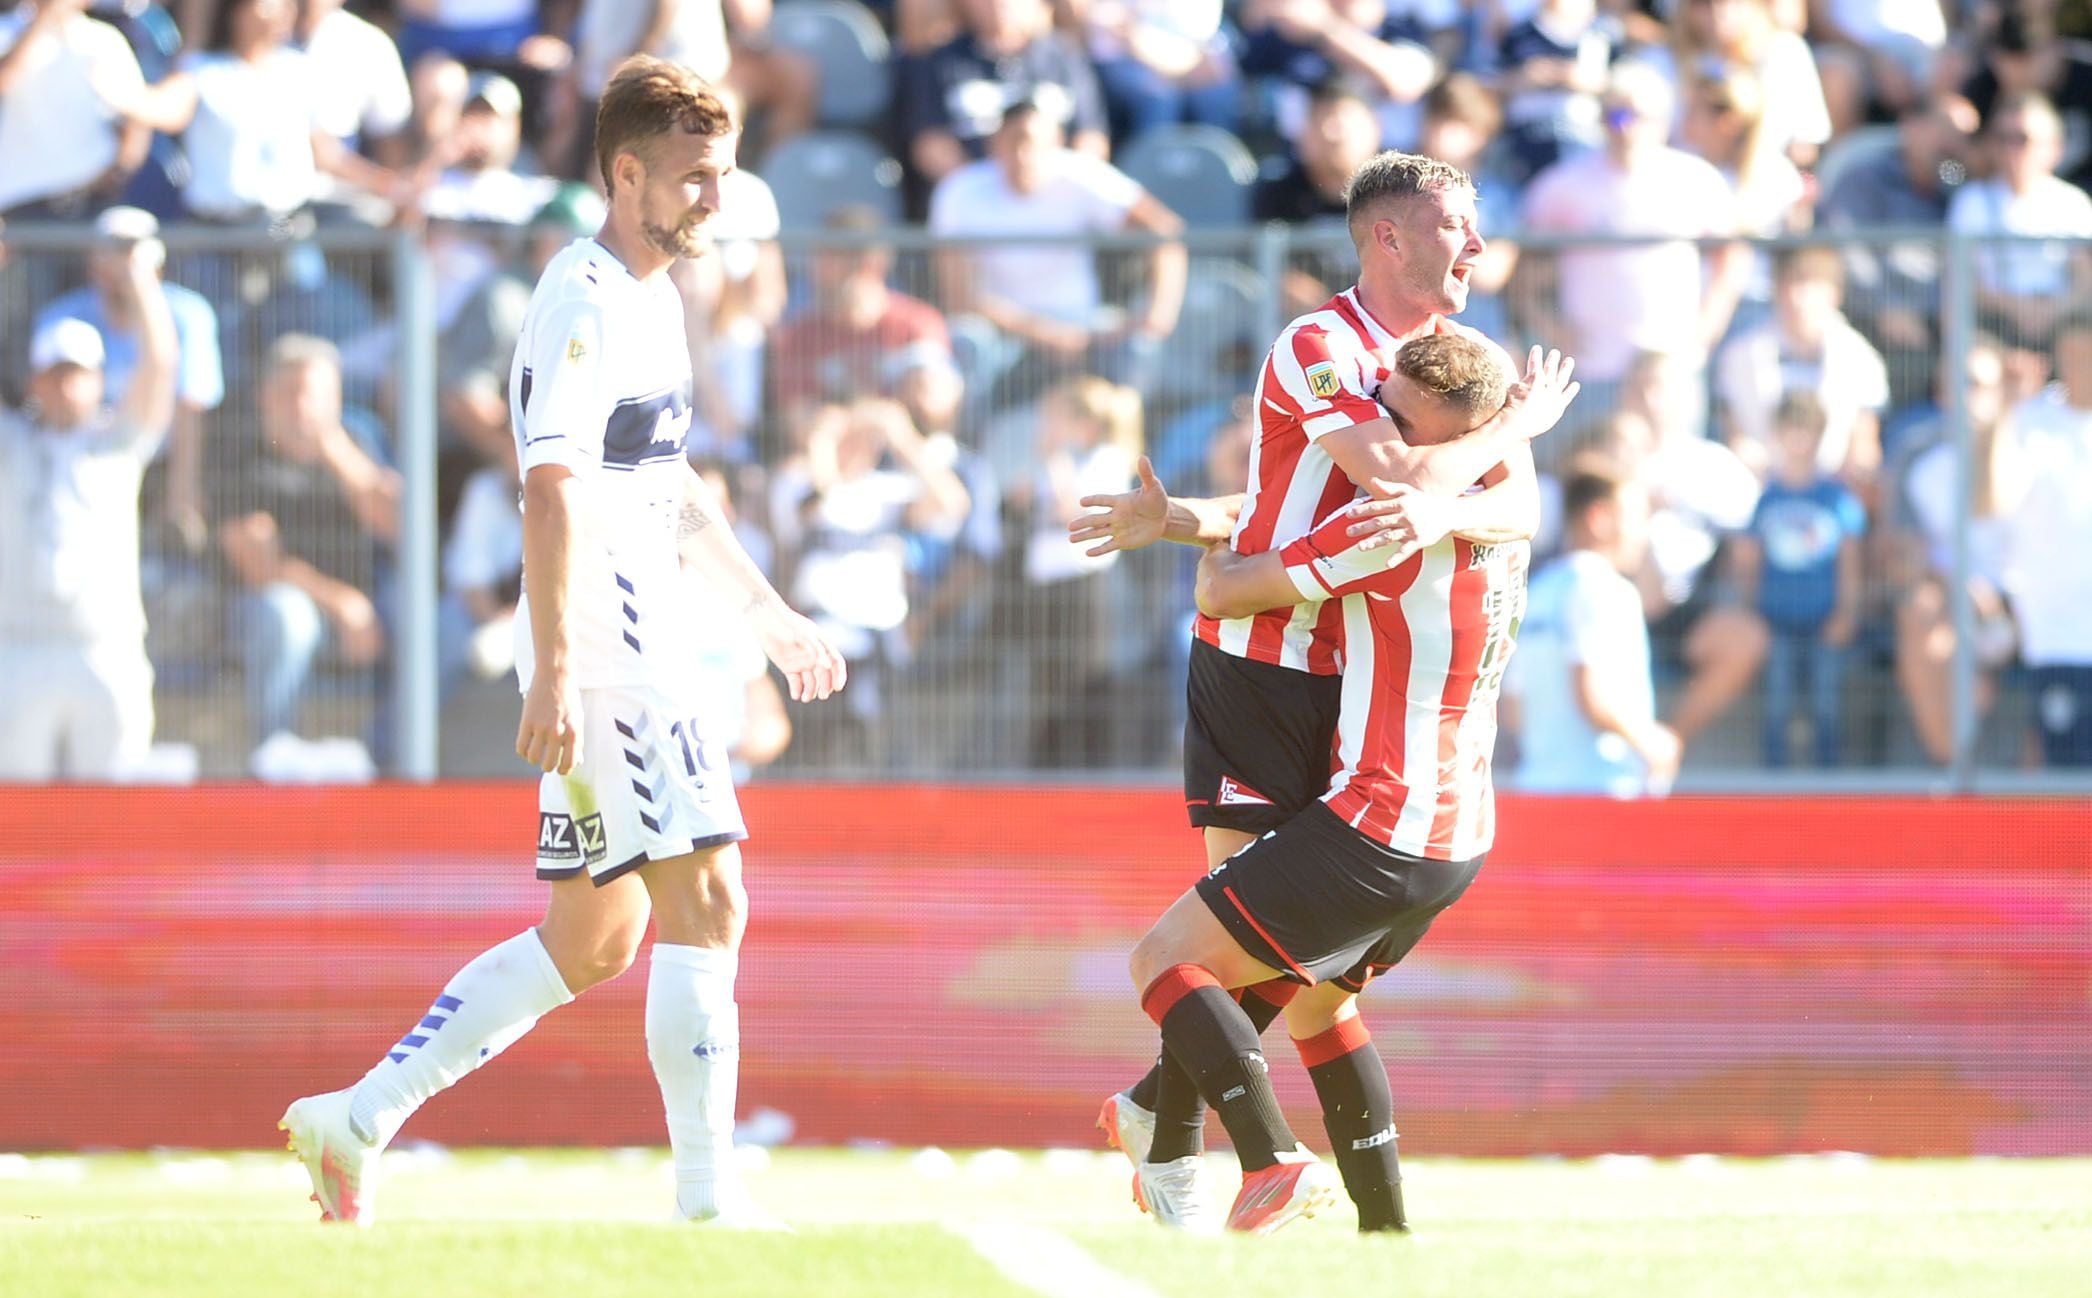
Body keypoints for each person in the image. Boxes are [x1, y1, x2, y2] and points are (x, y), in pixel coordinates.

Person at [277, 57, 847, 1226]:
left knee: (595, 934)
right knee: (713, 902)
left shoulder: (655, 295)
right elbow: (551, 489)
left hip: (649, 637)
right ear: (624, 170)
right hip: (615, 646)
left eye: (723, 177)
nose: (713, 201)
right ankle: (706, 1206)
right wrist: (555, 669)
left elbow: (666, 476)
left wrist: (763, 607)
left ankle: (358, 1117)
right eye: (693, 178)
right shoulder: (583, 297)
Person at [1071, 151, 1577, 1234]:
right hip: (1262, 665)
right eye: (1458, 226)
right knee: (1244, 955)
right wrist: (1507, 437)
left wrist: (1489, 461)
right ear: (1389, 238)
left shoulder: (1462, 364)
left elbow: (1500, 506)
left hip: (1350, 666)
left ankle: (1174, 1129)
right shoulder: (1324, 344)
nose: (1480, 247)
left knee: (1300, 979)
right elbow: (1359, 496)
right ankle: (1215, 1164)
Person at [1131, 331, 1533, 1235]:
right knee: (1317, 1003)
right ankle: (1386, 1240)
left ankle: (1266, 1157)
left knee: (1163, 960)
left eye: (1396, 418)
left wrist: (1200, 545)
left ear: (1441, 437)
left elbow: (1231, 593)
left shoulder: (1390, 529)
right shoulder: (1502, 507)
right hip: (1460, 833)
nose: (1373, 427)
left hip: (1381, 825)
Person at [0, 247, 175, 780]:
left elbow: (161, 364)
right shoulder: (9, 444)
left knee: (115, 812)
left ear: (100, 380)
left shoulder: (120, 442)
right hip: (18, 647)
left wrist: (141, 280)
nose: (66, 386)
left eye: (78, 374)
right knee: (16, 814)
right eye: (55, 374)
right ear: (34, 382)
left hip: (104, 647)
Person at [929, 93, 1186, 406]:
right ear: (994, 144)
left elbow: (1164, 231)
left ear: (1056, 142)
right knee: (966, 342)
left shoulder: (1082, 174)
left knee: (1138, 349)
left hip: (1084, 326)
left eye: (1033, 142)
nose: (1023, 154)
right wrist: (1044, 332)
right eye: (1013, 142)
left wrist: (1156, 315)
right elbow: (960, 297)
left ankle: (1130, 446)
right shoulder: (959, 191)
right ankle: (969, 450)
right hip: (1001, 333)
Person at [1519, 61, 1748, 395]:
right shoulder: (1561, 186)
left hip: (1670, 371)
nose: (1627, 128)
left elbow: (1731, 260)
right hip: (1589, 369)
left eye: (1640, 117)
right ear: (1601, 119)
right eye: (1617, 116)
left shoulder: (1698, 182)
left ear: (1664, 121)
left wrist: (1703, 334)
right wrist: (1551, 328)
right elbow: (1526, 269)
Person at [217, 336, 398, 748]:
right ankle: (275, 758)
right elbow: (259, 567)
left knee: (422, 616)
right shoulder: (241, 452)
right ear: (264, 397)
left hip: (370, 608)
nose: (303, 407)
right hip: (266, 611)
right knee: (287, 616)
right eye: (289, 393)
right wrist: (340, 602)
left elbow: (402, 529)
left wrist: (334, 448)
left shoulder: (358, 438)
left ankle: (394, 762)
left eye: (316, 394)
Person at [34, 207, 223, 552]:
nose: (119, 265)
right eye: (111, 251)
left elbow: (190, 403)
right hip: (84, 461)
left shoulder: (189, 315)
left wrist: (182, 491)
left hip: (162, 461)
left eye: (129, 252)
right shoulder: (62, 317)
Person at [1512, 459, 1679, 796]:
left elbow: (1514, 709)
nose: (1643, 534)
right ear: (1600, 519)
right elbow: (1591, 694)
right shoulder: (1604, 587)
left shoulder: (1536, 591)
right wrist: (1652, 742)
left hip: (1537, 788)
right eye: (1637, 518)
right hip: (1602, 791)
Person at [1731, 391, 1866, 768]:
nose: (1797, 440)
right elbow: (1751, 562)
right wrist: (1751, 610)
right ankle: (1774, 782)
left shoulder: (1835, 498)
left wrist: (1846, 613)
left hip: (1825, 621)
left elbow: (1850, 563)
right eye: (1789, 430)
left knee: (1827, 702)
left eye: (1805, 431)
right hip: (1776, 621)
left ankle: (1828, 781)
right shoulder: (1768, 498)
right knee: (1777, 702)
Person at [1992, 310, 2092, 768]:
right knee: (2065, 781)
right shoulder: (2030, 421)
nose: (2081, 364)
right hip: (2059, 636)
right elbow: (1989, 500)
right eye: (2071, 352)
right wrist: (2004, 412)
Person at [898, 0, 1110, 203]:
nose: (1000, 2)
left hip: (1056, 202)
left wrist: (1054, 193)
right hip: (974, 203)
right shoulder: (940, 62)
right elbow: (929, 144)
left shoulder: (1065, 57)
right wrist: (986, 195)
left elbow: (1091, 138)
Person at [1714, 244, 1891, 485]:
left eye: (1809, 283)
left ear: (1834, 292)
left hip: (1832, 493)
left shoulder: (1861, 359)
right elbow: (1735, 434)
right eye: (1790, 284)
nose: (1798, 297)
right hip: (1757, 489)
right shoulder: (1740, 354)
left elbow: (1864, 445)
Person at [1945, 92, 2092, 351]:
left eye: (2022, 139)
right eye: (2002, 138)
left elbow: (2085, 279)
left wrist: (2051, 311)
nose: (2011, 149)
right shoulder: (1971, 201)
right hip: (1992, 326)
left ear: (2054, 147)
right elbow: (1961, 280)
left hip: (2061, 325)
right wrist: (2015, 307)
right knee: (1978, 366)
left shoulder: (2073, 204)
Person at [0, 0, 148, 220]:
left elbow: (137, 117)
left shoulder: (105, 39)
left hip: (92, 201)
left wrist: (120, 170)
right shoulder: (6, 31)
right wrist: (45, 19)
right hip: (22, 205)